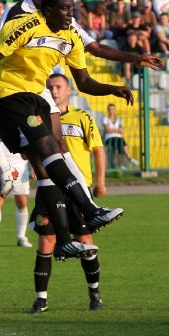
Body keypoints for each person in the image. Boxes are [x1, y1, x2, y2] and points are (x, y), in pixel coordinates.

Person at [0, 0, 134, 261]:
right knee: (48, 146)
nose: (71, 14)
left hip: (35, 97)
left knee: (45, 166)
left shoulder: (70, 36)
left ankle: (64, 241)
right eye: (65, 9)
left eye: (73, 9)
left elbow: (85, 82)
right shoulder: (25, 25)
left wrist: (113, 88)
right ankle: (89, 209)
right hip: (6, 95)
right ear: (48, 10)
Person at [30, 73, 109, 313]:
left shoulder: (82, 117)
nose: (53, 91)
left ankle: (94, 293)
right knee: (47, 241)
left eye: (58, 87)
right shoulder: (38, 119)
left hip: (78, 189)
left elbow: (98, 149)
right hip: (50, 188)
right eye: (50, 87)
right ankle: (41, 299)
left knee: (85, 241)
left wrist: (100, 181)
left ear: (68, 91)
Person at [0, 136, 32, 249]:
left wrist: (35, 167)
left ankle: (21, 237)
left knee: (22, 203)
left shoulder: (19, 120)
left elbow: (31, 141)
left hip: (20, 167)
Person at [102, 103, 138, 168]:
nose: (111, 111)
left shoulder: (119, 119)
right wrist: (117, 130)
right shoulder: (105, 119)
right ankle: (129, 159)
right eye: (109, 109)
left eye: (112, 109)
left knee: (121, 144)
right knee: (121, 142)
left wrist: (112, 129)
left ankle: (121, 164)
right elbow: (108, 130)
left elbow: (122, 131)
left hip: (118, 138)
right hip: (109, 138)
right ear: (108, 110)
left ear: (115, 110)